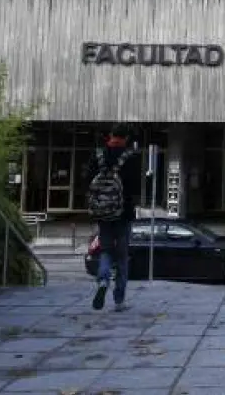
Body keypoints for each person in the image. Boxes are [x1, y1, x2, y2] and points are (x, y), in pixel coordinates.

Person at [87, 124, 140, 311]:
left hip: (103, 214)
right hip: (123, 214)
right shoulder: (130, 157)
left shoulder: (98, 155)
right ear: (126, 138)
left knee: (106, 251)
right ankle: (119, 300)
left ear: (110, 135)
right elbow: (135, 187)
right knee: (122, 257)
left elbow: (87, 180)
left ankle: (103, 281)